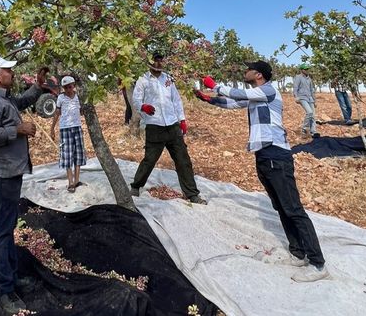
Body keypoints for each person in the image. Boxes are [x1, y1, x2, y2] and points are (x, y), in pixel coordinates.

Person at [195, 60, 329, 282]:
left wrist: (214, 85)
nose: (244, 71)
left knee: (293, 209)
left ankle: (318, 264)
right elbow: (233, 102)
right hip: (264, 156)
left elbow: (237, 93)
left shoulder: (267, 91)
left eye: (248, 70)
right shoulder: (256, 97)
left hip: (277, 155)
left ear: (258, 74)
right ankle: (298, 253)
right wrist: (209, 99)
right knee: (281, 207)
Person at [0, 56, 47, 315]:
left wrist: (38, 86)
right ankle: (3, 291)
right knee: (2, 232)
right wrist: (19, 129)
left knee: (7, 227)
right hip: (1, 175)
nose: (12, 73)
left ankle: (11, 277)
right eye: (8, 70)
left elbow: (23, 102)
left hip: (10, 172)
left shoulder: (3, 99)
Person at [130, 52, 206, 205]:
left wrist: (182, 119)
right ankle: (136, 186)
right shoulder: (143, 80)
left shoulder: (168, 79)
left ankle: (192, 194)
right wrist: (143, 107)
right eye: (155, 60)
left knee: (183, 160)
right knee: (150, 160)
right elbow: (136, 99)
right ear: (150, 62)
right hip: (154, 125)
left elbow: (176, 100)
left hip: (172, 125)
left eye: (160, 60)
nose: (158, 63)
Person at [50, 75, 87, 192]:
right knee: (67, 154)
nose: (68, 89)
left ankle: (76, 180)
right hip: (65, 129)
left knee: (78, 153)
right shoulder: (61, 98)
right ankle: (70, 182)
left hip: (77, 127)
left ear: (73, 86)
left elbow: (81, 111)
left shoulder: (78, 97)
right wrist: (52, 129)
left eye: (70, 87)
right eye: (65, 88)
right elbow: (57, 113)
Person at [293, 64, 320, 138]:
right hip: (302, 97)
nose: (307, 70)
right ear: (301, 70)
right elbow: (295, 88)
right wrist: (296, 97)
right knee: (309, 112)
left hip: (310, 98)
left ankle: (313, 132)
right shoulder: (298, 77)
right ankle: (304, 128)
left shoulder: (309, 79)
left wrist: (314, 101)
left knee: (313, 116)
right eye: (305, 69)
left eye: (308, 69)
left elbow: (312, 90)